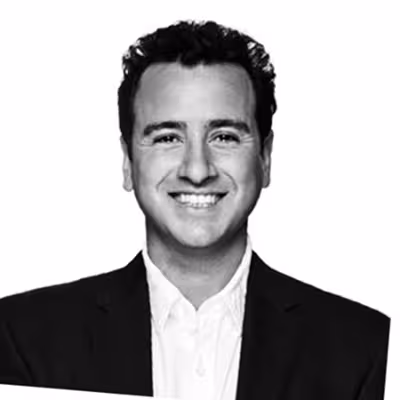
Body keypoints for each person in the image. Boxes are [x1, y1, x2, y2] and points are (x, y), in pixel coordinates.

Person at [0, 20, 390, 400]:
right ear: (127, 162)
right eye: (167, 137)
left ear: (265, 158)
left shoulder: (368, 348)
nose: (198, 170)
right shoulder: (22, 337)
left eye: (225, 137)